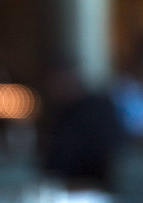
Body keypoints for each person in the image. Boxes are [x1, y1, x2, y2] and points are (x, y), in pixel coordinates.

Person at [43, 56, 127, 184]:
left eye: (54, 81)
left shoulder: (97, 109)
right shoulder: (62, 113)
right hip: (63, 189)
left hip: (95, 192)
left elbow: (109, 158)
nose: (51, 88)